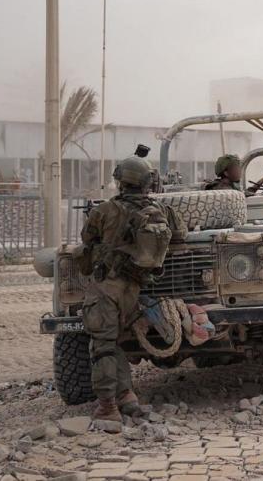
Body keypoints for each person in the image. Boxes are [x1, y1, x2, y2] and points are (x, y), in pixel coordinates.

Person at [79, 155, 186, 421]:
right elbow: (180, 235)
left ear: (120, 181)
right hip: (135, 290)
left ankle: (107, 407)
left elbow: (86, 239)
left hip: (107, 287)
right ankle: (126, 397)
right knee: (117, 344)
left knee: (102, 345)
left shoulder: (104, 211)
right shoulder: (162, 210)